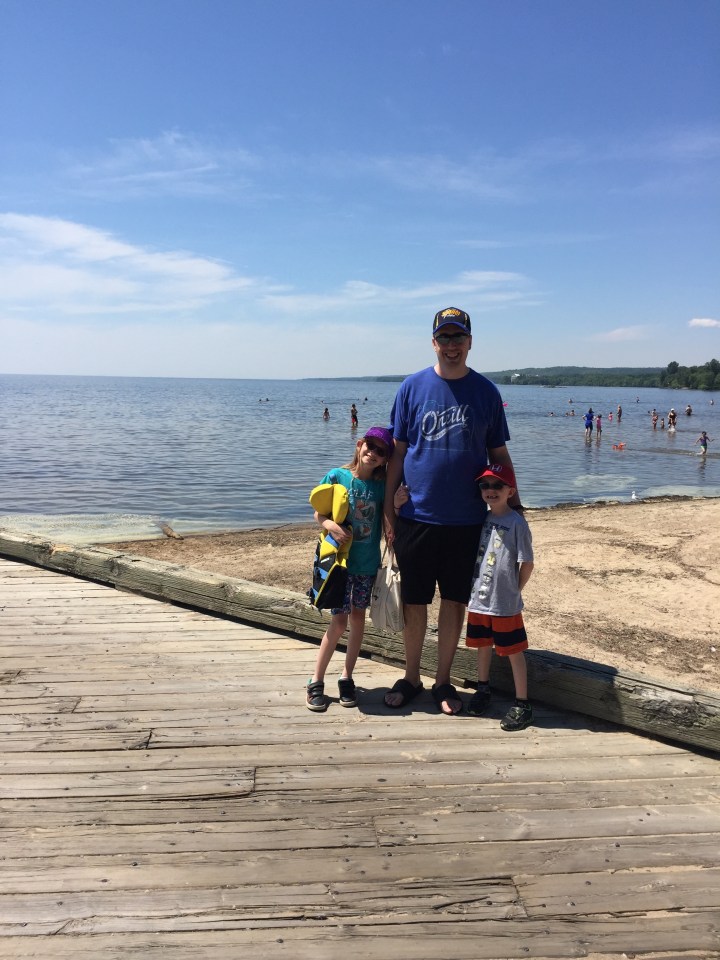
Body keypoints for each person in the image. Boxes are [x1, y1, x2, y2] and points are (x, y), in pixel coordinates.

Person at [382, 306, 519, 716]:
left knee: (455, 602)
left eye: (459, 337)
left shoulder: (486, 393)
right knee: (414, 602)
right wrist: (389, 508)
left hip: (468, 521)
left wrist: (514, 510)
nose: (452, 345)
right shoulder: (411, 387)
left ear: (470, 342)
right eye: (445, 337)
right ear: (433, 342)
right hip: (417, 517)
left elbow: (498, 453)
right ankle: (411, 675)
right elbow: (398, 454)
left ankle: (442, 680)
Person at [306, 427, 401, 712]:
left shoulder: (382, 487)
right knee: (338, 620)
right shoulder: (338, 476)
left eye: (381, 451)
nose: (373, 453)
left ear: (386, 460)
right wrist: (331, 526)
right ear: (360, 445)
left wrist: (398, 502)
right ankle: (316, 679)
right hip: (339, 564)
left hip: (366, 564)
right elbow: (318, 511)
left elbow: (389, 514)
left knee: (358, 619)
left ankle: (347, 676)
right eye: (370, 446)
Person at [465, 464, 534, 731]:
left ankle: (523, 702)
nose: (491, 491)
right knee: (483, 645)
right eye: (485, 485)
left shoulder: (517, 523)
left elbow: (526, 562)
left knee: (514, 651)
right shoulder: (482, 518)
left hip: (505, 603)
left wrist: (516, 589)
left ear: (510, 491)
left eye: (497, 486)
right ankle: (483, 689)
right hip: (479, 598)